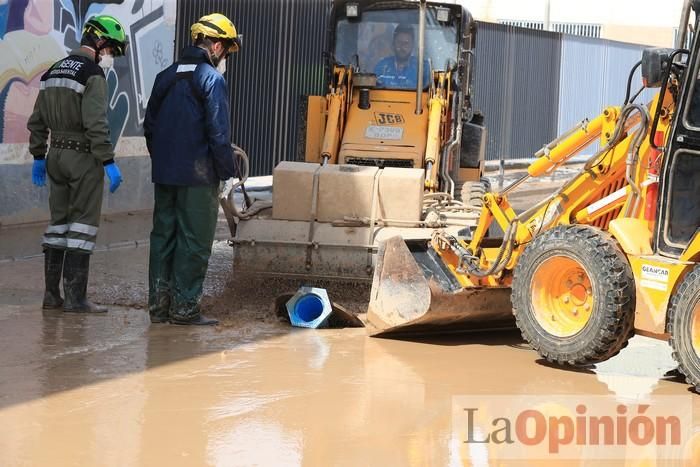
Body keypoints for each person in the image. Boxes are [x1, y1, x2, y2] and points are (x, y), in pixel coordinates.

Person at [144, 13, 240, 326]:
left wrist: (162, 160)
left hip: (166, 174)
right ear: (215, 45)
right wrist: (227, 172)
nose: (225, 56)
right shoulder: (211, 79)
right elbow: (218, 132)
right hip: (199, 178)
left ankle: (159, 308)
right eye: (226, 49)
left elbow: (150, 127)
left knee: (163, 238)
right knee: (194, 242)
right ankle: (184, 310)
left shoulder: (165, 75)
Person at [27, 15, 127, 313]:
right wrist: (107, 161)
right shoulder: (92, 74)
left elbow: (36, 122)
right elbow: (95, 123)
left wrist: (38, 156)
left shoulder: (52, 71)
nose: (110, 57)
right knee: (82, 227)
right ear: (99, 42)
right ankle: (75, 298)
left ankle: (51, 295)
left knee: (58, 224)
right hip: (83, 158)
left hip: (55, 156)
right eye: (111, 50)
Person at [374, 24, 430, 89]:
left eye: (406, 43)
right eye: (399, 42)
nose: (402, 46)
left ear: (412, 45)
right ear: (393, 44)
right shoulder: (382, 66)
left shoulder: (422, 68)